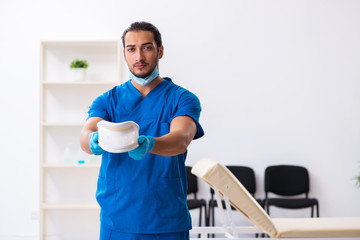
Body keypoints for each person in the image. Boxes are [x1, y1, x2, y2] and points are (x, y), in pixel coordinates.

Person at [80, 21, 204, 240]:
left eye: (147, 47)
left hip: (166, 218)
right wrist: (93, 140)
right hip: (117, 217)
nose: (139, 56)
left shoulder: (182, 98)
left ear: (160, 51)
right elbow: (86, 133)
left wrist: (149, 144)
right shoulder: (108, 100)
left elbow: (181, 138)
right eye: (131, 49)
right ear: (124, 54)